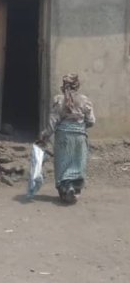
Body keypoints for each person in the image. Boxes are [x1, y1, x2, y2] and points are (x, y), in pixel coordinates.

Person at [37, 73, 95, 204]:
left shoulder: (59, 100)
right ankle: (74, 187)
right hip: (80, 136)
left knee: (63, 164)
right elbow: (91, 121)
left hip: (63, 136)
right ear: (77, 86)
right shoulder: (85, 100)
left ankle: (66, 187)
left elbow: (53, 122)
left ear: (63, 86)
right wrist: (80, 126)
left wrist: (44, 135)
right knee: (78, 163)